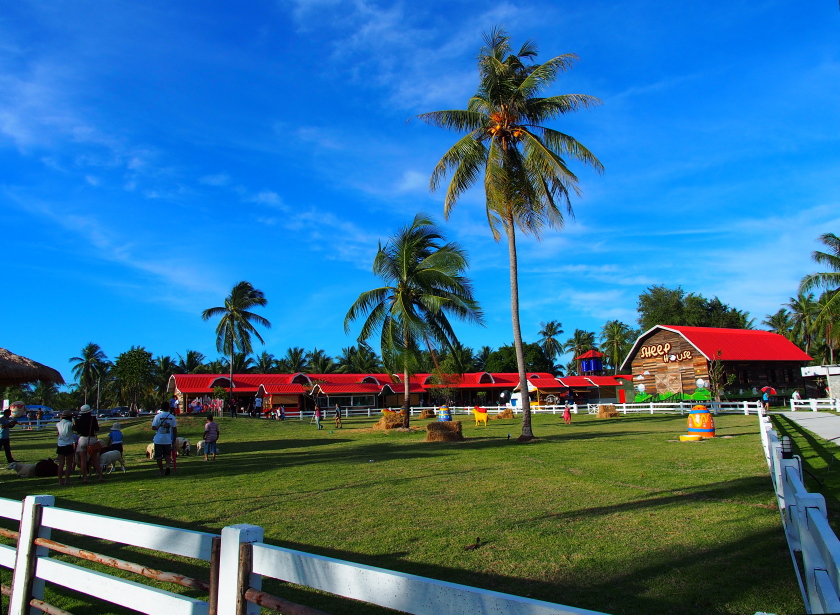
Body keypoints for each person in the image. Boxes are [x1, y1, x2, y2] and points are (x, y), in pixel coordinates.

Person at [74, 404, 103, 483]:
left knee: (83, 460)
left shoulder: (78, 420)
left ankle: (85, 478)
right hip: (92, 438)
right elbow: (97, 429)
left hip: (83, 439)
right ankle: (100, 476)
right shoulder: (92, 419)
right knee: (95, 460)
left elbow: (78, 431)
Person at [152, 401, 177, 476]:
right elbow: (174, 429)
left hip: (158, 439)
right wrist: (174, 438)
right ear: (168, 408)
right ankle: (168, 466)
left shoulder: (157, 416)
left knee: (159, 456)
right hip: (168, 439)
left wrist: (159, 427)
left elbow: (153, 427)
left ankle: (161, 471)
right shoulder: (172, 417)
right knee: (167, 455)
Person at [55, 410, 75, 485]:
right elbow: (75, 429)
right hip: (69, 445)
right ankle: (66, 480)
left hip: (60, 445)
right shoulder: (70, 424)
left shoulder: (58, 424)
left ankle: (60, 480)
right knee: (69, 464)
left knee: (61, 464)